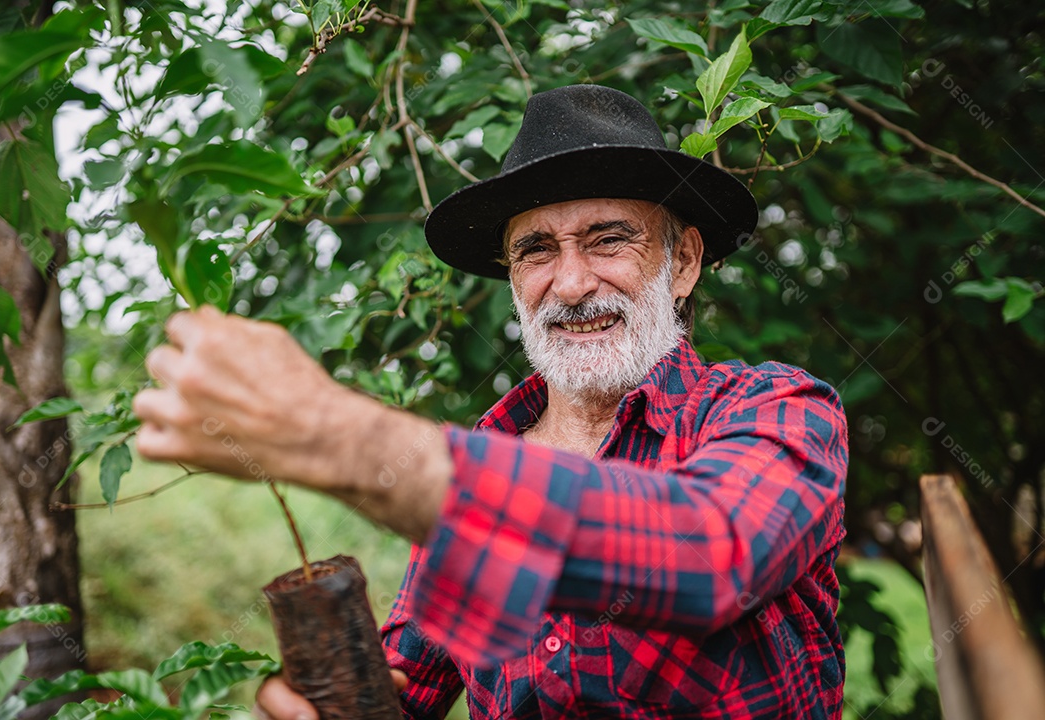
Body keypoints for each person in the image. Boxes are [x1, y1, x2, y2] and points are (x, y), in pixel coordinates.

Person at [135, 84, 847, 719]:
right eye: (536, 250)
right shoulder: (488, 454)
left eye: (608, 239)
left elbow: (714, 554)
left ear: (683, 262)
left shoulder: (776, 409)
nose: (570, 284)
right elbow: (406, 690)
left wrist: (337, 437)